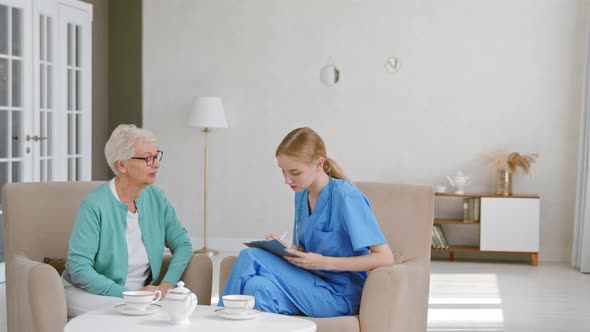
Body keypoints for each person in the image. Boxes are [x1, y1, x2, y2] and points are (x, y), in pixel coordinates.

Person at [219, 127, 394, 317]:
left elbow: (385, 258)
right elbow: (302, 252)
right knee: (257, 286)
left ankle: (215, 322)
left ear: (319, 164)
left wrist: (325, 262)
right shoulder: (301, 194)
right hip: (310, 285)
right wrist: (282, 250)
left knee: (250, 256)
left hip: (340, 296)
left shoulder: (347, 197)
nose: (287, 180)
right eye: (283, 172)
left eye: (295, 172)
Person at [62, 124, 193, 317]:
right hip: (88, 292)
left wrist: (166, 285)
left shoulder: (157, 198)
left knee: (171, 310)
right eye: (148, 158)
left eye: (156, 156)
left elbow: (182, 244)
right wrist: (131, 295)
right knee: (129, 313)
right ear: (121, 165)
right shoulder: (94, 204)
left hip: (141, 295)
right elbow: (79, 269)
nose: (156, 164)